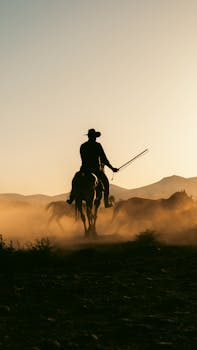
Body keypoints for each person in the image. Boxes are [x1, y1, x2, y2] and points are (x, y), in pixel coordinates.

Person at [67, 128, 119, 207]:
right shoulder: (97, 145)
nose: (95, 138)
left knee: (75, 180)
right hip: (96, 170)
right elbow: (104, 159)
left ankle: (71, 198)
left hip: (84, 169)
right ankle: (106, 203)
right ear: (94, 137)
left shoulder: (83, 146)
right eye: (95, 136)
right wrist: (112, 168)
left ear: (88, 136)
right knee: (106, 184)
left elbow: (83, 158)